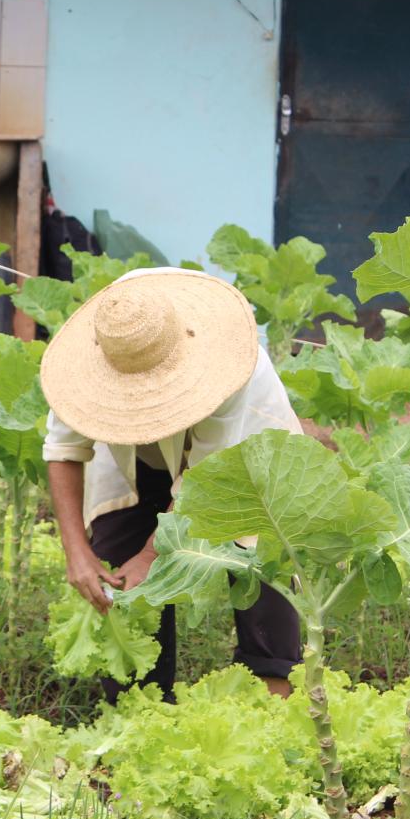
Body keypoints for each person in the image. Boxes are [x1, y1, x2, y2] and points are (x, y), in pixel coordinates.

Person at [40, 267, 303, 700]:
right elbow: (63, 450)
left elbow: (203, 482)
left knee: (258, 555)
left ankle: (275, 696)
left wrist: (152, 556)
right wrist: (76, 553)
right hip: (133, 459)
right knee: (118, 569)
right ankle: (139, 702)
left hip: (245, 456)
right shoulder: (89, 360)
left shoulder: (230, 364)